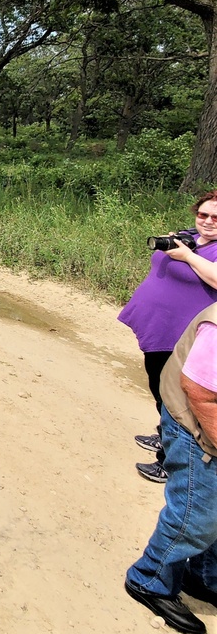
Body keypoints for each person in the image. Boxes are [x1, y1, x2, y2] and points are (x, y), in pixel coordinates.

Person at [124, 303, 217, 634]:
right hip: (195, 426)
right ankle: (150, 579)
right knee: (196, 514)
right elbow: (201, 393)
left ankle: (205, 576)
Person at [118, 191, 217, 482]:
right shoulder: (190, 237)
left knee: (178, 400)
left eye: (216, 218)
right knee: (160, 389)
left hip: (182, 336)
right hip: (158, 328)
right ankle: (165, 435)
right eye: (203, 215)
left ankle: (170, 464)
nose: (208, 222)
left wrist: (187, 256)